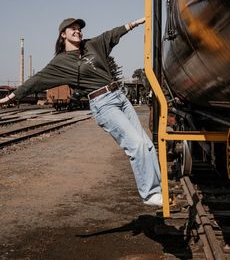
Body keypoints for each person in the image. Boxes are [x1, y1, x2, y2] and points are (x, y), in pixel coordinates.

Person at [0, 17, 162, 206]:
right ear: (63, 35)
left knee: (146, 144)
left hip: (120, 97)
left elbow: (112, 34)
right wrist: (7, 98)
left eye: (79, 29)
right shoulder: (60, 63)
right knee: (136, 144)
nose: (77, 31)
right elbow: (34, 81)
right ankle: (150, 194)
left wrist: (135, 23)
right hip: (103, 104)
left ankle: (159, 190)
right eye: (73, 29)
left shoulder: (92, 45)